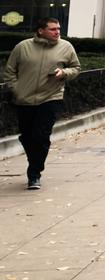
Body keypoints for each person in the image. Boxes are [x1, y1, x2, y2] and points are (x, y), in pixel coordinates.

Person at [3, 17, 82, 190]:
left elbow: (76, 68)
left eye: (58, 29)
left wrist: (64, 72)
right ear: (41, 30)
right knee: (27, 136)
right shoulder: (22, 47)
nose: (57, 32)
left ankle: (34, 174)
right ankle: (34, 162)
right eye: (53, 29)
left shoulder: (66, 47)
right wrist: (16, 89)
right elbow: (9, 71)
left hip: (51, 97)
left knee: (41, 135)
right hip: (24, 99)